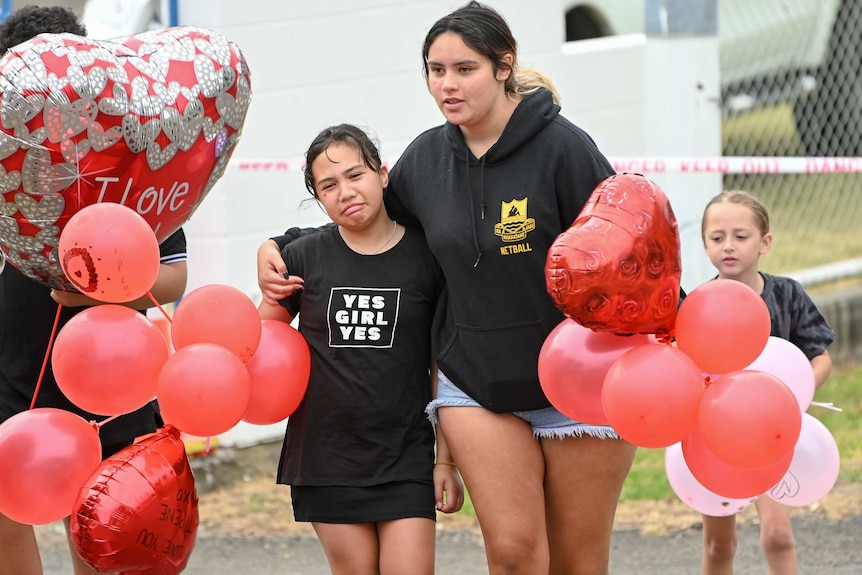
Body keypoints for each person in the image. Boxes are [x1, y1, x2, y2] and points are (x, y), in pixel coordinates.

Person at [257, 3, 642, 573]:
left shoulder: (563, 148)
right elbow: (372, 224)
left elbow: (627, 247)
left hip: (574, 382)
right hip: (476, 380)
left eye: (464, 69)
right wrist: (280, 244)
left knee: (577, 562)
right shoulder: (424, 160)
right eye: (436, 70)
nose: (447, 84)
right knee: (513, 555)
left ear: (504, 67)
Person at [0, 7, 189, 575]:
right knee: (6, 515)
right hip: (16, 372)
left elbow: (174, 276)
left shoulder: (126, 160)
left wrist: (98, 288)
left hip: (113, 378)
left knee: (105, 534)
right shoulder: (7, 163)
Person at [258, 124, 463, 575]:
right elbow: (258, 347)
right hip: (325, 458)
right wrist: (267, 252)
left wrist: (446, 458)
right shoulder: (304, 258)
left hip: (405, 454)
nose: (346, 192)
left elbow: (442, 366)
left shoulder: (428, 257)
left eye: (356, 175)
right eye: (328, 185)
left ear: (383, 174)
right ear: (317, 197)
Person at [699, 189, 836, 575]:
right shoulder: (699, 305)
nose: (729, 246)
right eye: (717, 237)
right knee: (719, 544)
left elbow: (820, 357)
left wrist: (796, 394)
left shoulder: (788, 295)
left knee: (778, 535)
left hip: (772, 437)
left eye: (741, 236)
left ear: (765, 243)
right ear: (705, 245)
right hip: (714, 439)